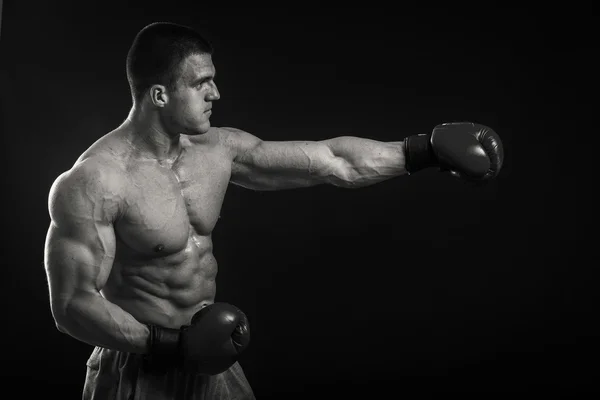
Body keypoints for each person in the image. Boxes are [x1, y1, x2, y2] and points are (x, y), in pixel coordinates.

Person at [43, 21, 504, 400]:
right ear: (160, 95)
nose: (216, 94)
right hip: (138, 368)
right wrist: (167, 345)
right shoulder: (95, 181)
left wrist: (424, 151)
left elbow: (332, 161)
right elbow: (71, 305)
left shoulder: (218, 150)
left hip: (213, 358)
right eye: (202, 84)